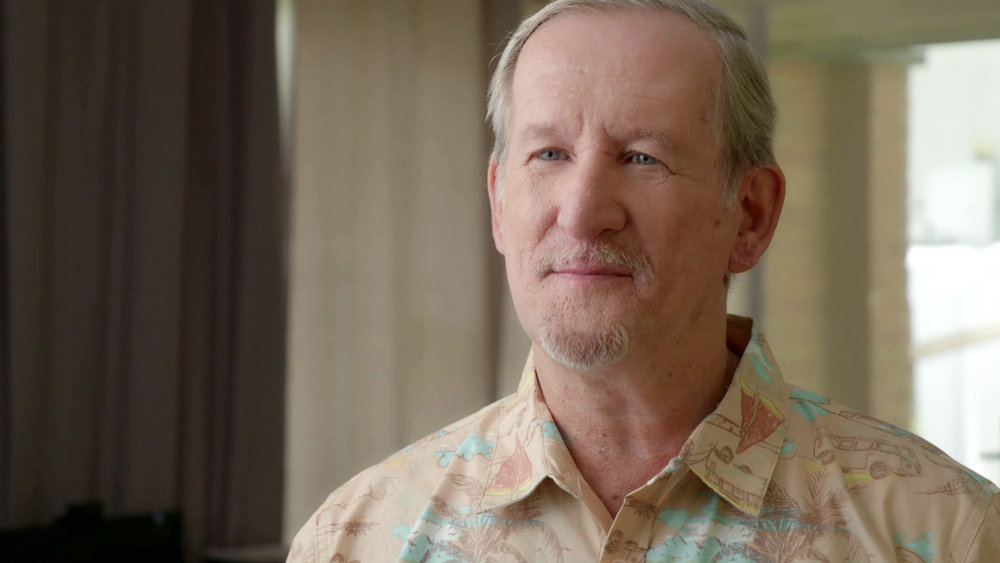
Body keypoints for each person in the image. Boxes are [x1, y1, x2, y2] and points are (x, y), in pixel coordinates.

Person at [288, 0, 999, 560]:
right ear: (500, 203)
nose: (582, 211)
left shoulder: (947, 533)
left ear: (750, 215)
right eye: (549, 154)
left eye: (641, 157)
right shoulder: (354, 540)